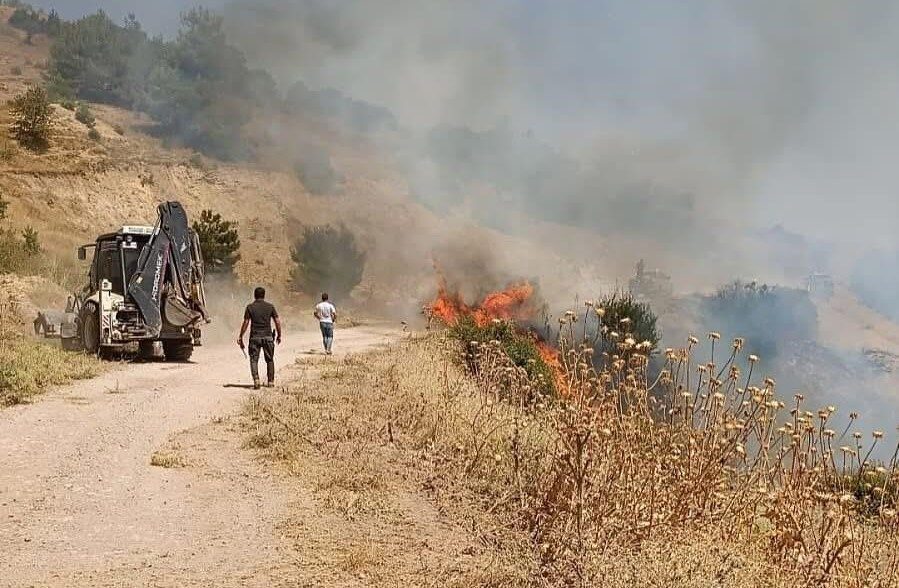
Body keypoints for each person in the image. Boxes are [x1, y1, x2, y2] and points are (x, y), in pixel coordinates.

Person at [238, 287, 283, 389]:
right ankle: (270, 382)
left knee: (254, 360)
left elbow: (246, 322)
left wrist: (241, 336)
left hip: (255, 337)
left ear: (254, 295)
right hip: (268, 337)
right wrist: (279, 335)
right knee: (270, 360)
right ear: (264, 295)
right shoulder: (270, 307)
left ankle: (256, 380)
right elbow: (277, 321)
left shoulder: (250, 307)